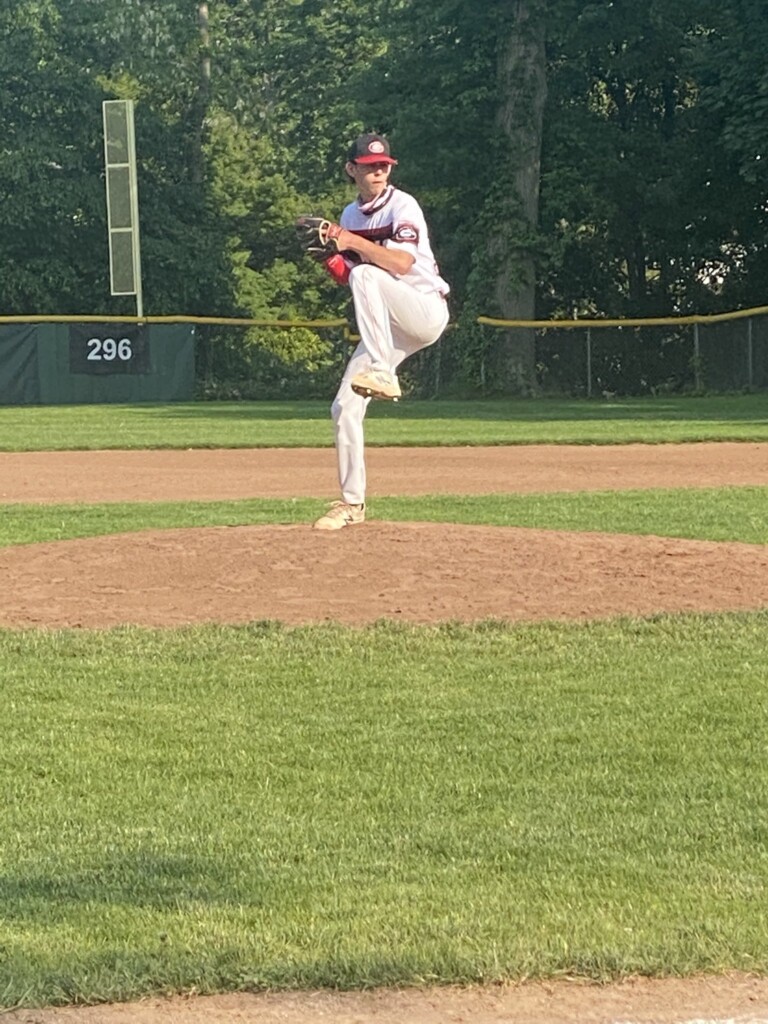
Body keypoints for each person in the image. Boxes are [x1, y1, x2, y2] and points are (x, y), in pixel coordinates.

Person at [310, 132, 450, 531]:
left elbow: (401, 265)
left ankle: (382, 371)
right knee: (343, 408)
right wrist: (334, 263)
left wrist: (346, 241)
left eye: (384, 165)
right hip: (388, 325)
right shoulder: (351, 215)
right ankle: (352, 503)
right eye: (370, 166)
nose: (379, 171)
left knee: (371, 273)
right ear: (351, 169)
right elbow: (356, 279)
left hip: (423, 310)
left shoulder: (403, 205)